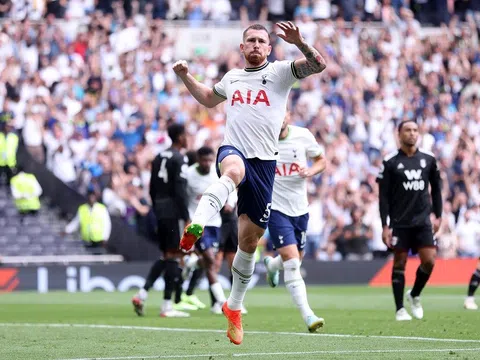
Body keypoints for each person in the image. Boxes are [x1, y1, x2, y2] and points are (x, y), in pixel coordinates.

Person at [173, 21, 326, 345]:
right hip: (235, 151)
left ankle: (234, 307)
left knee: (249, 242)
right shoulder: (232, 78)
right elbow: (207, 98)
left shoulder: (283, 72)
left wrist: (299, 42)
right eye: (250, 41)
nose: (256, 45)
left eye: (261, 41)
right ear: (241, 48)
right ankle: (195, 226)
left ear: (268, 48)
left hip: (265, 164)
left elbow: (318, 64)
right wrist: (186, 75)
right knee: (232, 171)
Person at [263, 112, 326, 332]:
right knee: (291, 261)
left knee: (296, 259)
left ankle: (272, 265)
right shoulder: (262, 138)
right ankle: (308, 315)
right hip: (276, 208)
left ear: (288, 115)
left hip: (300, 208)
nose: (279, 118)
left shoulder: (303, 136)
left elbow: (321, 160)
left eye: (283, 113)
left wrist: (311, 171)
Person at [376, 120, 442, 321]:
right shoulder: (390, 162)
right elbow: (383, 197)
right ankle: (399, 309)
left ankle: (414, 294)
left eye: (415, 130)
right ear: (399, 134)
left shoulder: (429, 160)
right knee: (400, 263)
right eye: (407, 130)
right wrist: (384, 225)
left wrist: (438, 215)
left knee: (429, 261)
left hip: (423, 221)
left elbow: (436, 189)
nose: (412, 134)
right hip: (399, 222)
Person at [132, 124, 191, 318]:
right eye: (185, 134)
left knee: (167, 255)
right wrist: (186, 216)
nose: (187, 137)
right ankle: (166, 306)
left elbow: (152, 187)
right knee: (175, 256)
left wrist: (157, 209)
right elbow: (180, 191)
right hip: (173, 212)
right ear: (180, 137)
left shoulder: (159, 157)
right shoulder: (179, 158)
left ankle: (142, 294)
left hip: (159, 210)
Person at [182, 146, 227, 312]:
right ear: (198, 159)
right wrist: (186, 222)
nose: (207, 163)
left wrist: (230, 202)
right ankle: (221, 302)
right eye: (204, 160)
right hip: (197, 222)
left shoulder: (218, 171)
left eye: (210, 160)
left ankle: (192, 262)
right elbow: (183, 198)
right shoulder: (188, 174)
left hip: (215, 222)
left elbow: (229, 188)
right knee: (210, 260)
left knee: (210, 262)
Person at [0, 120, 19, 186]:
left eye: (11, 126)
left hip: (10, 163)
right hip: (1, 162)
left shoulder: (14, 137)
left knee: (10, 180)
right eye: (8, 126)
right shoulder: (0, 136)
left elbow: (16, 150)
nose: (9, 128)